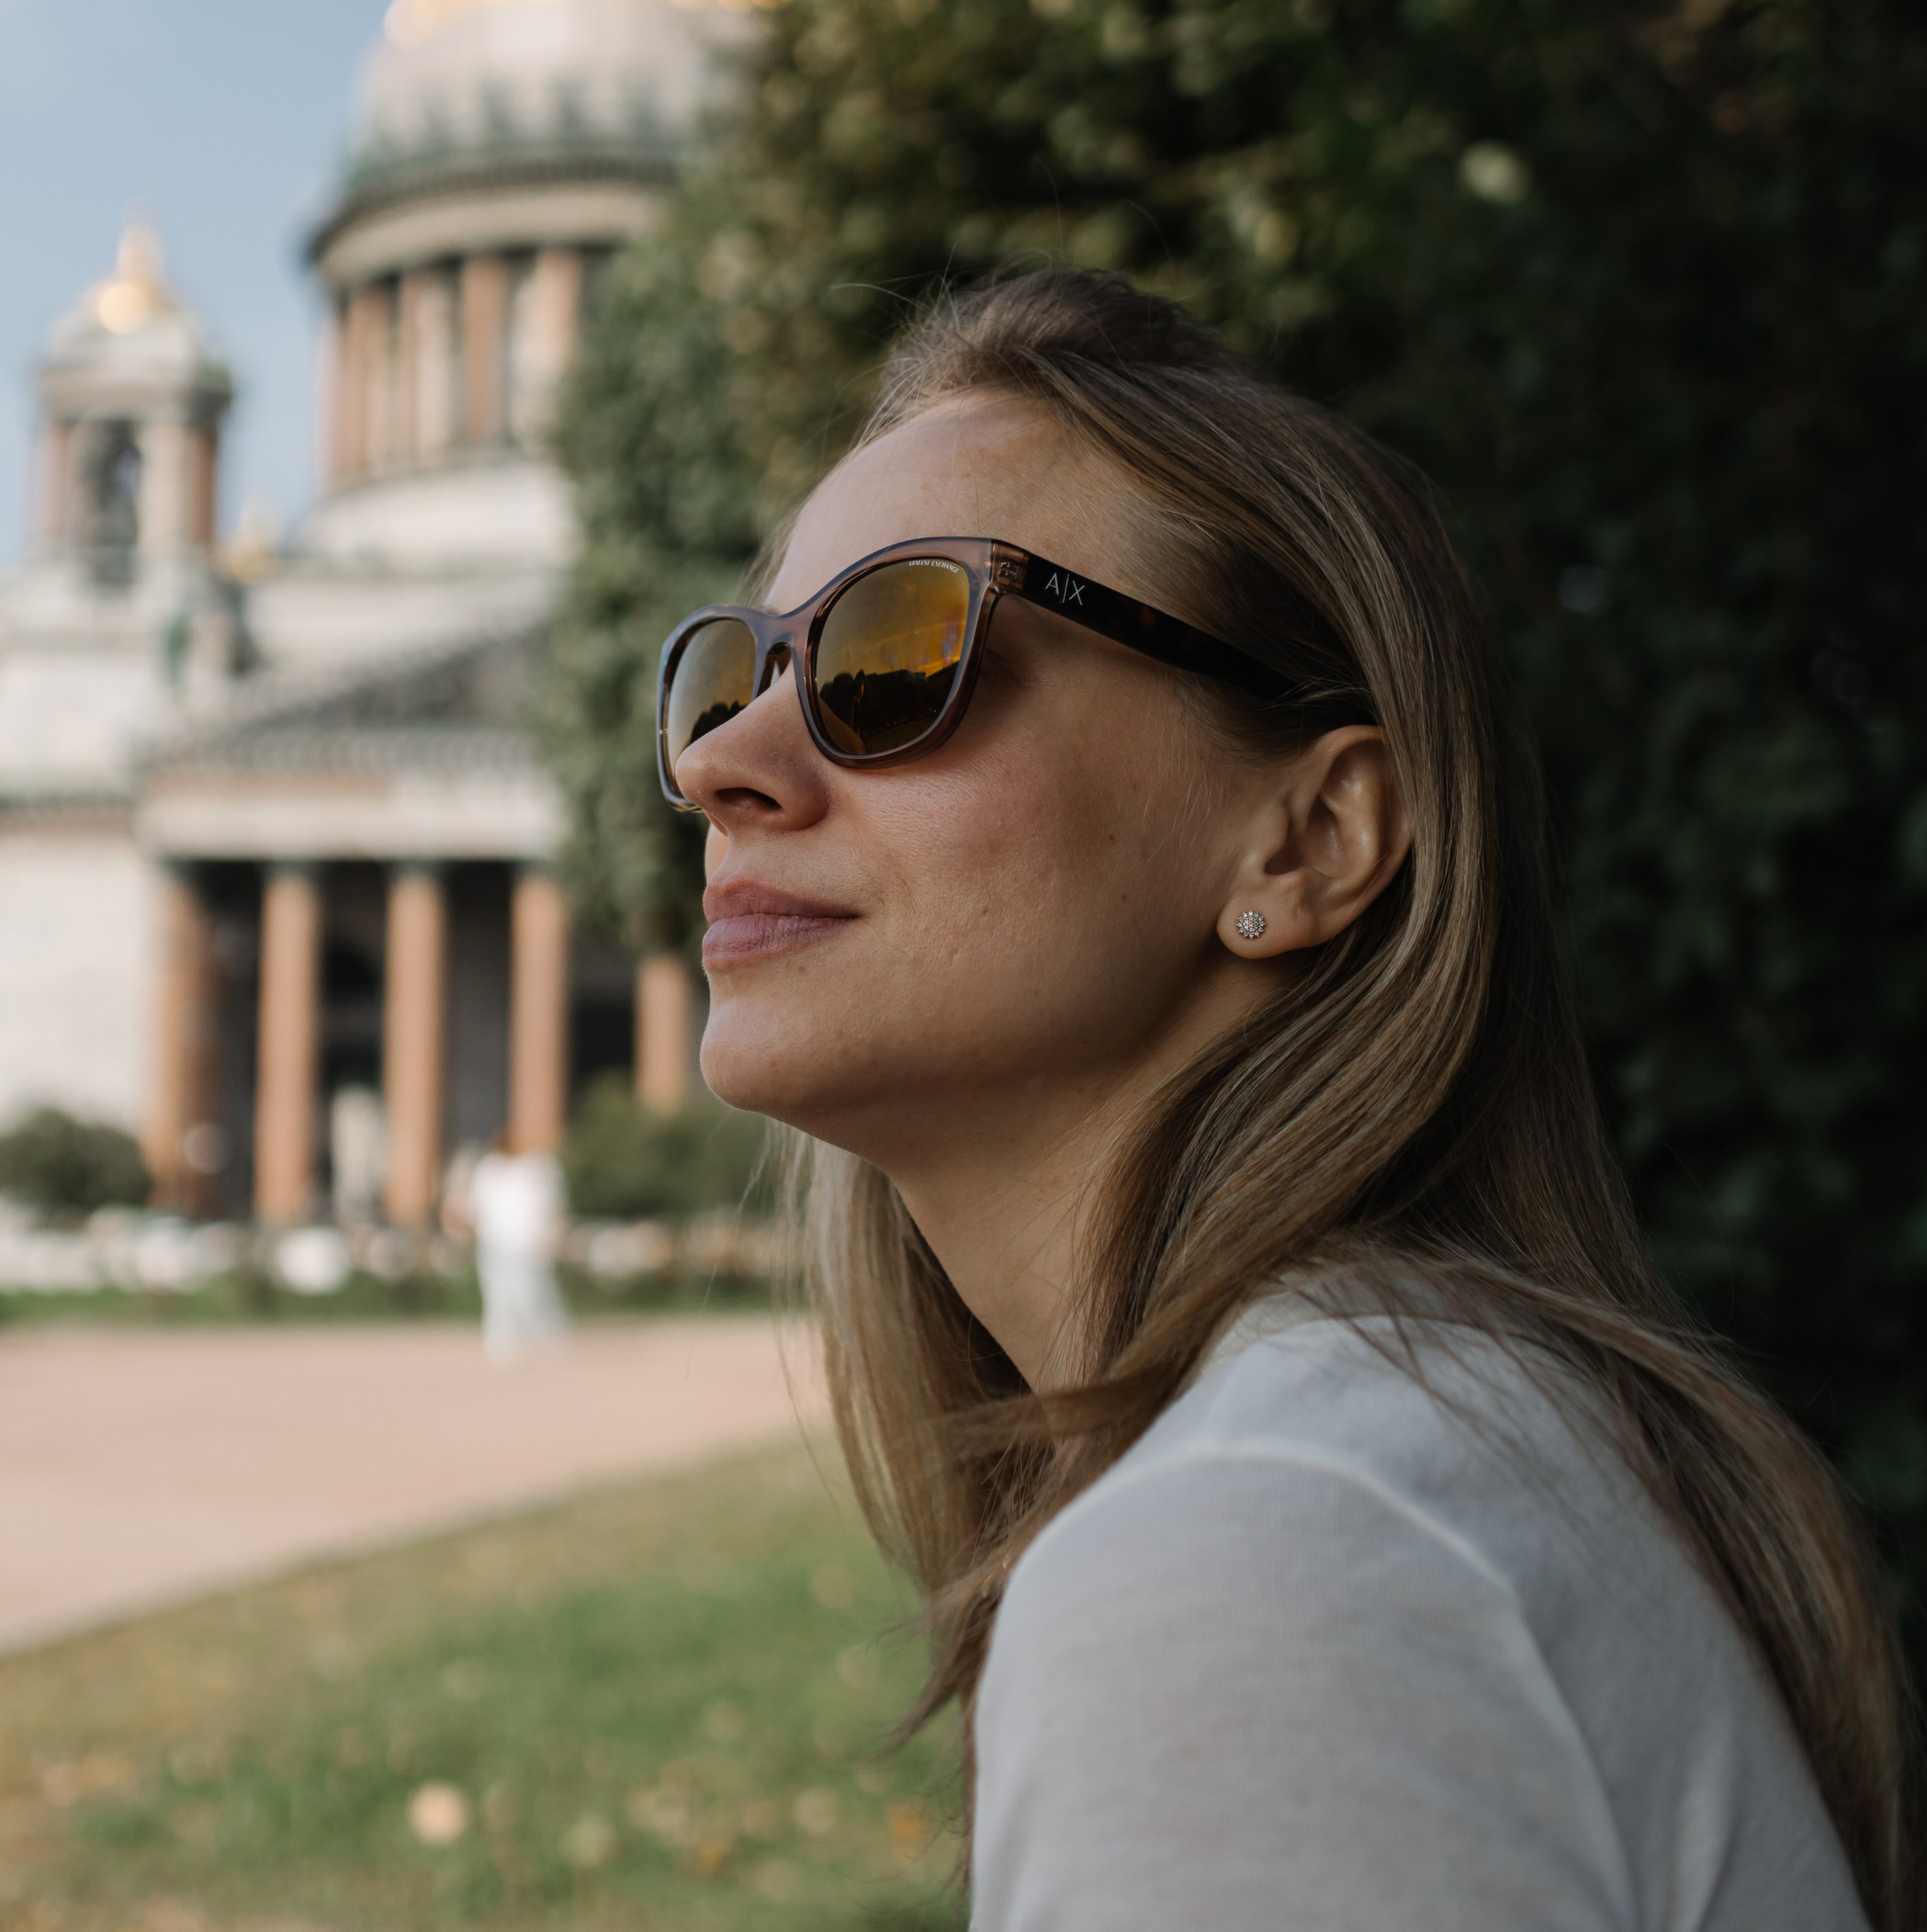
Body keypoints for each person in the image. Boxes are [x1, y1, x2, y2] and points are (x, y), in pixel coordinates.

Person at [658, 267, 1917, 1932]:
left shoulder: (1261, 1554)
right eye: (729, 671)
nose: (718, 763)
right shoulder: (1432, 1453)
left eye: (895, 652)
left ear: (1309, 841)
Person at [467, 1128, 567, 1362]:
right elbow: (477, 1207)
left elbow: (548, 1206)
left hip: (526, 1242)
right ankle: (503, 1341)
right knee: (498, 1293)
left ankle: (546, 1335)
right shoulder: (489, 1170)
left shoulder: (535, 1169)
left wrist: (546, 1234)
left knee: (532, 1291)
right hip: (493, 1241)